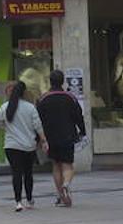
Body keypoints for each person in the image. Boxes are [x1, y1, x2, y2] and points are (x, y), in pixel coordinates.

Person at [36, 69, 86, 207]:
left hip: (51, 137)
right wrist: (82, 131)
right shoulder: (70, 98)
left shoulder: (43, 99)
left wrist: (39, 139)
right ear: (62, 81)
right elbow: (78, 116)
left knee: (56, 165)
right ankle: (66, 184)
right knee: (67, 165)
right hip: (68, 136)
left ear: (50, 81)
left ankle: (60, 195)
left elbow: (37, 120)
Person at [0, 80, 43, 211]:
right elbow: (38, 126)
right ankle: (29, 199)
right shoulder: (30, 107)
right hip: (28, 146)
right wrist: (43, 139)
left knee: (16, 173)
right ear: (24, 92)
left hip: (11, 145)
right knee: (28, 173)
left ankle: (18, 202)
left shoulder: (5, 107)